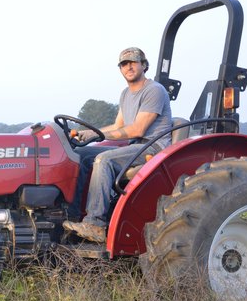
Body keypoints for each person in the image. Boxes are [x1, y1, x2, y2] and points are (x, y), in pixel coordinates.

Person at [63, 47, 173, 242]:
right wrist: (90, 134)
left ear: (144, 65)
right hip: (134, 146)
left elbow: (138, 130)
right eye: (124, 64)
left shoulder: (154, 90)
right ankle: (72, 215)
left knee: (103, 160)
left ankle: (95, 223)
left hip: (152, 146)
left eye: (133, 62)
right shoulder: (125, 94)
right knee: (82, 154)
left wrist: (96, 136)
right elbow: (118, 126)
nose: (128, 67)